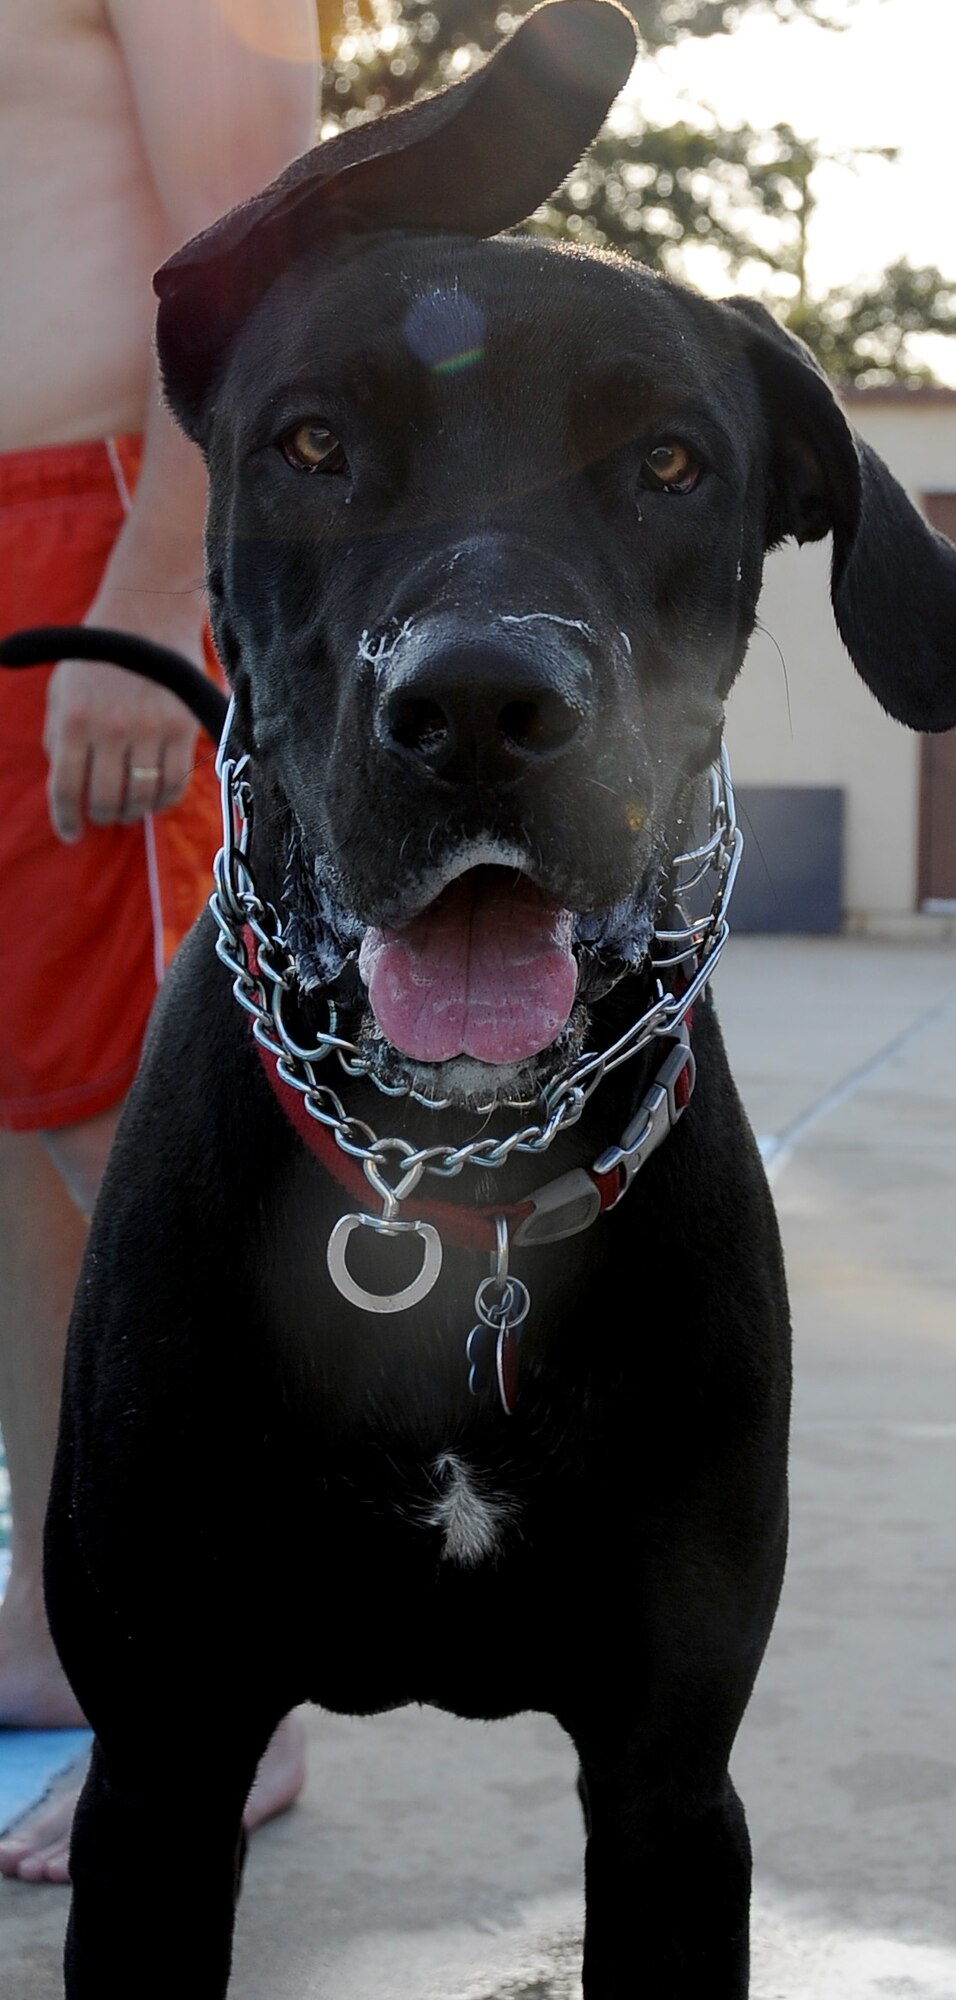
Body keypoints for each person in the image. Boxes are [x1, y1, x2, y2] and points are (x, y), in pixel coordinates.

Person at [0, 0, 320, 1882]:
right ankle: (60, 1610)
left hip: (97, 524)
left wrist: (158, 580)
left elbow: (262, 241)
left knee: (144, 1132)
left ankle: (239, 1670)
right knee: (17, 1132)